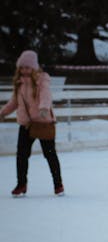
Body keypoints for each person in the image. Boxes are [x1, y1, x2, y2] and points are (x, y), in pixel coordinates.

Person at [0, 50, 64, 196]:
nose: (24, 70)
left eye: (27, 67)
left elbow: (46, 95)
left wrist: (43, 108)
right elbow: (14, 102)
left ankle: (58, 184)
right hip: (26, 124)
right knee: (21, 155)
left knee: (50, 154)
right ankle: (21, 184)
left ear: (34, 67)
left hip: (43, 122)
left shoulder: (42, 80)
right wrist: (3, 112)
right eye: (22, 67)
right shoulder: (19, 83)